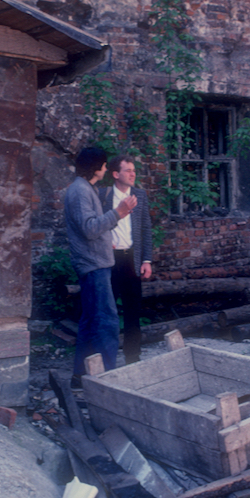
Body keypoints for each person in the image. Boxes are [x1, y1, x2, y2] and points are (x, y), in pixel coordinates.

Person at [64, 146, 136, 384]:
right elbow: (90, 228)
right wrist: (119, 213)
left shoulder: (85, 189)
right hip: (94, 266)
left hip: (95, 264)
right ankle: (108, 381)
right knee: (106, 323)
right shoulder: (81, 191)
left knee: (90, 321)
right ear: (96, 168)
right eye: (104, 165)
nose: (106, 169)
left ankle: (80, 376)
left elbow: (92, 227)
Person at [101, 152, 153, 365]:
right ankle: (107, 359)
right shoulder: (103, 196)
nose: (133, 174)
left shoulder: (139, 196)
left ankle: (133, 358)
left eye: (134, 170)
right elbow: (97, 224)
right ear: (115, 174)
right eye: (128, 170)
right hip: (110, 260)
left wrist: (147, 260)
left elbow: (146, 229)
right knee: (108, 310)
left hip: (132, 259)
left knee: (133, 310)